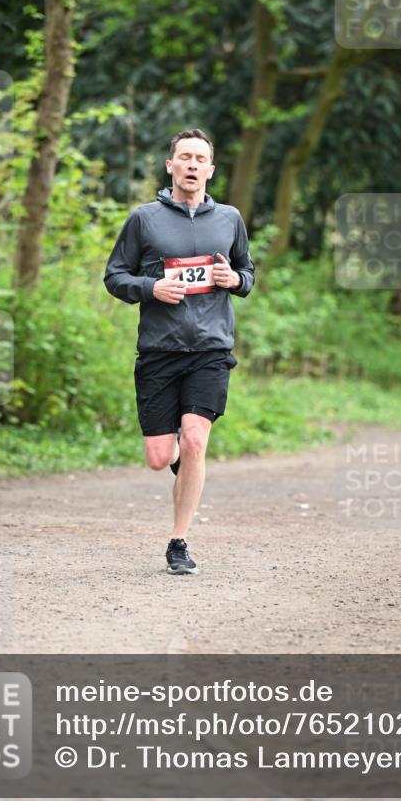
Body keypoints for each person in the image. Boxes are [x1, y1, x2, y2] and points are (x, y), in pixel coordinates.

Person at [103, 128, 255, 575]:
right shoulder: (144, 219)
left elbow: (247, 271)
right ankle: (183, 464)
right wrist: (151, 287)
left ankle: (178, 542)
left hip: (211, 349)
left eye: (200, 159)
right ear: (170, 166)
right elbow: (115, 276)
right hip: (159, 350)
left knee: (194, 439)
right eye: (184, 157)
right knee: (159, 457)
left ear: (210, 170)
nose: (192, 164)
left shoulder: (229, 219)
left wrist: (235, 280)